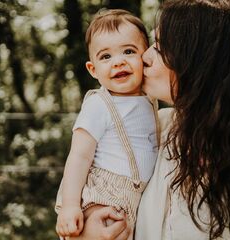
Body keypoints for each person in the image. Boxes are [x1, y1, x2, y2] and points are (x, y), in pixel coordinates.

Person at [76, 0, 230, 239]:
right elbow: (81, 174)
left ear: (200, 63)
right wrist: (86, 229)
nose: (144, 57)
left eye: (159, 47)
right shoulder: (156, 129)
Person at [54, 9, 159, 239]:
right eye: (105, 57)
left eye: (129, 51)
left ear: (145, 58)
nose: (118, 61)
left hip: (139, 198)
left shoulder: (150, 99)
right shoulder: (99, 105)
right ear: (93, 69)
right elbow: (79, 157)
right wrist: (70, 205)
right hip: (105, 197)